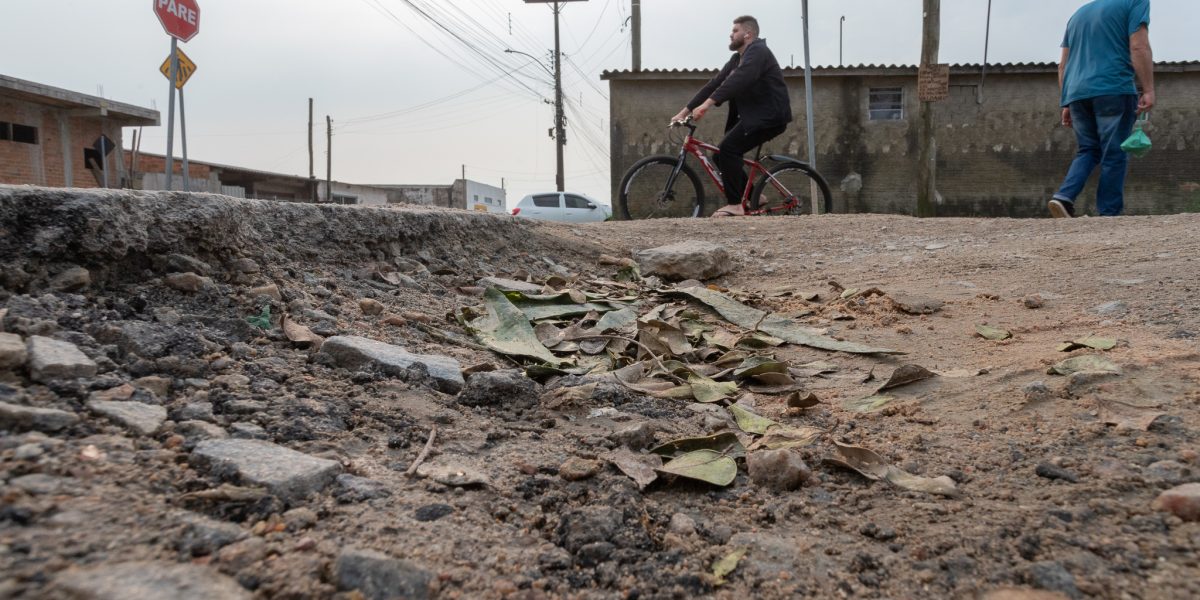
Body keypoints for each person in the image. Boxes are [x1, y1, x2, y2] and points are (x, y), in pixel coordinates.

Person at [671, 15, 792, 217]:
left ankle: (735, 204)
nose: (730, 34)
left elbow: (739, 80)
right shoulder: (737, 59)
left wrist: (708, 105)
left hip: (770, 116)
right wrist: (684, 112)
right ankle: (756, 196)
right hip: (756, 117)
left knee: (729, 149)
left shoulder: (758, 52)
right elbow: (715, 84)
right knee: (720, 155)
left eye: (735, 30)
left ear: (748, 34)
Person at [1049, 0, 1154, 218]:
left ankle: (1063, 197)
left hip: (1077, 92)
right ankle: (1109, 214)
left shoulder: (1078, 14)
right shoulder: (1135, 2)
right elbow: (1138, 46)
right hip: (1113, 88)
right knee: (1114, 151)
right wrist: (1148, 89)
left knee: (1088, 149)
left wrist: (1066, 101)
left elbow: (1063, 65)